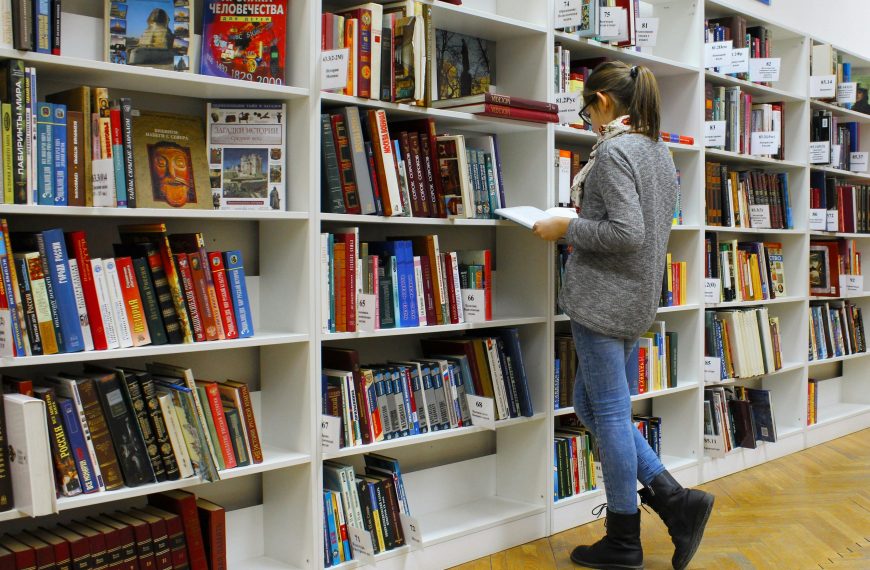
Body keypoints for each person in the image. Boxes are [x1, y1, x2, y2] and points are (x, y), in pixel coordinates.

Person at [532, 61, 714, 570]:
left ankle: (624, 539)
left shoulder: (613, 153)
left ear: (605, 103)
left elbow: (626, 233)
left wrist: (565, 227)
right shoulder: (658, 151)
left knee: (608, 413)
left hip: (602, 299)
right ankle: (674, 498)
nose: (587, 118)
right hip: (635, 298)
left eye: (587, 108)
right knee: (590, 406)